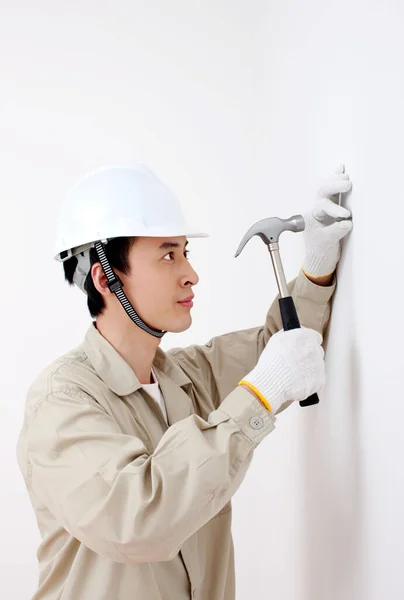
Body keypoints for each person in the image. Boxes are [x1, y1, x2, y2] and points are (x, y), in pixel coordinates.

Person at [17, 163, 352, 600]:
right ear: (106, 277)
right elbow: (137, 520)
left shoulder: (186, 377)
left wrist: (316, 268)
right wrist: (258, 398)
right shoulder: (61, 403)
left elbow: (278, 350)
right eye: (167, 254)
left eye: (185, 253)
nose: (190, 274)